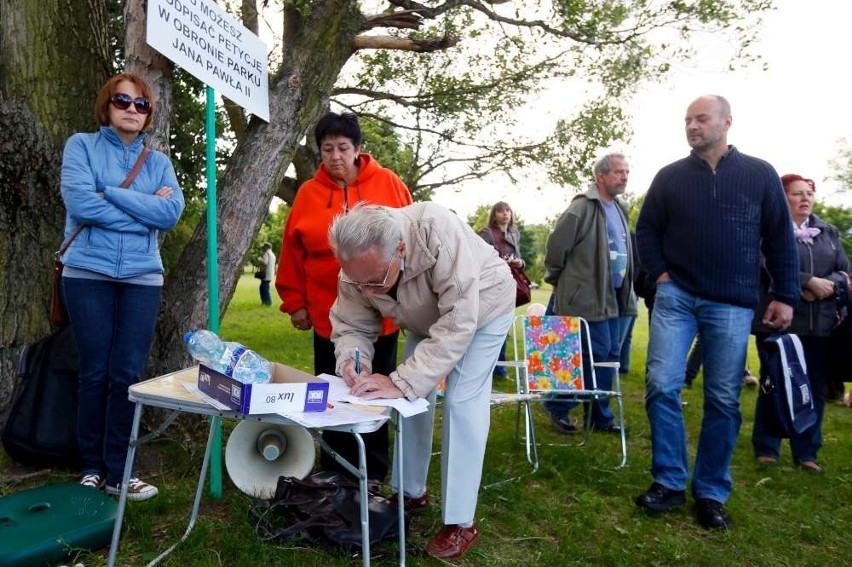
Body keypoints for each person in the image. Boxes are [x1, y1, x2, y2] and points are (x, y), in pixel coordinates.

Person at [635, 95, 798, 529]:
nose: (692, 126)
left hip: (732, 301)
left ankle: (709, 492)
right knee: (661, 385)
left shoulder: (759, 174)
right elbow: (646, 230)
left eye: (701, 118)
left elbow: (781, 238)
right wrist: (661, 276)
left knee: (723, 398)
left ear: (727, 122)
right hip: (677, 297)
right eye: (687, 119)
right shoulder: (669, 177)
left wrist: (785, 295)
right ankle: (669, 481)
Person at [328, 203, 515, 560]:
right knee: (410, 399)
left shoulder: (437, 229)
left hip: (484, 307)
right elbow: (352, 324)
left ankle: (460, 521)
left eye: (375, 282)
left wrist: (402, 380)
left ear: (400, 249)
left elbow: (460, 320)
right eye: (357, 281)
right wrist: (354, 362)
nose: (366, 291)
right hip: (426, 319)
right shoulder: (357, 264)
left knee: (461, 401)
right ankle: (409, 492)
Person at [60, 73, 185, 500]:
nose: (132, 109)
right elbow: (80, 204)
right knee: (95, 372)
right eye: (123, 101)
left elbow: (169, 215)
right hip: (87, 274)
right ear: (107, 106)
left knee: (127, 375)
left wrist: (110, 192)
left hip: (141, 279)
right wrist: (144, 209)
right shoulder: (81, 146)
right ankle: (92, 467)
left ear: (149, 114)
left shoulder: (159, 162)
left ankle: (120, 471)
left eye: (141, 104)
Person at [275, 111, 412, 483]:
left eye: (343, 148)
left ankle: (373, 471)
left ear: (357, 150)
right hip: (328, 314)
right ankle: (334, 469)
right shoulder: (307, 193)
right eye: (327, 149)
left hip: (383, 311)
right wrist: (295, 302)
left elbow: (409, 241)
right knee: (333, 391)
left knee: (376, 390)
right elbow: (292, 253)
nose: (335, 156)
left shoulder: (388, 184)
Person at [751, 174, 851, 473]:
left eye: (809, 193)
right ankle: (767, 446)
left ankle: (807, 451)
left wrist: (827, 285)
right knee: (774, 383)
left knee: (815, 386)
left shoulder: (828, 232)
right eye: (797, 194)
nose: (805, 198)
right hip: (778, 320)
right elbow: (763, 264)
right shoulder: (768, 229)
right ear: (783, 198)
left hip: (820, 324)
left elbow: (845, 272)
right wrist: (806, 283)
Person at [542, 153, 636, 434]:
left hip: (615, 296)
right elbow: (557, 246)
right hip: (588, 296)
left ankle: (598, 416)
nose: (624, 177)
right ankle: (557, 404)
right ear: (601, 176)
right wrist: (557, 278)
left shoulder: (620, 207)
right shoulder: (581, 207)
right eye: (619, 172)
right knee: (591, 354)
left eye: (627, 172)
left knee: (608, 355)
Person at [478, 201, 525, 378]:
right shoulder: (487, 233)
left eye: (507, 210)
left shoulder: (514, 232)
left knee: (504, 326)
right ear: (494, 214)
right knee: (490, 325)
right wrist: (500, 262)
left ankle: (499, 368)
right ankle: (490, 367)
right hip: (492, 284)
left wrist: (520, 263)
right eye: (500, 211)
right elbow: (480, 258)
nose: (505, 214)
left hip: (511, 282)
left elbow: (519, 258)